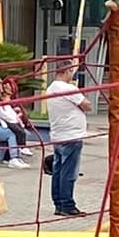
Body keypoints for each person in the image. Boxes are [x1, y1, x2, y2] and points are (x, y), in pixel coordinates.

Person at [41, 60, 89, 217]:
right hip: (71, 135)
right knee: (69, 172)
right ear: (67, 71)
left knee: (58, 171)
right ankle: (67, 204)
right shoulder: (69, 89)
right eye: (71, 72)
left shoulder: (50, 88)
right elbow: (87, 105)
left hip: (58, 134)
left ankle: (59, 203)